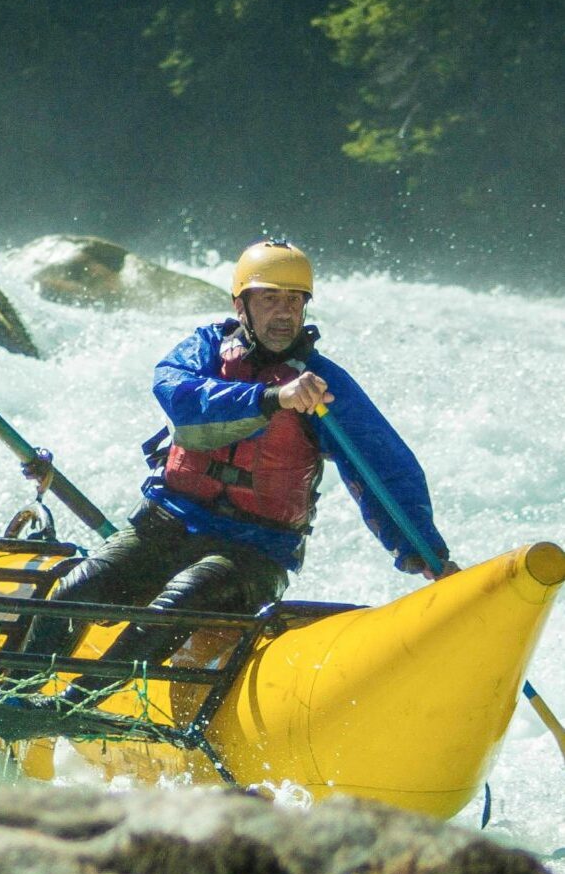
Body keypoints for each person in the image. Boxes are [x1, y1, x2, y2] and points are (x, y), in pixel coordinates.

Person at [27, 238, 458, 691]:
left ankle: (75, 703)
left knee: (177, 603)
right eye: (270, 299)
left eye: (295, 301)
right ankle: (11, 688)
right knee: (76, 590)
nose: (285, 313)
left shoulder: (324, 386)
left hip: (255, 551)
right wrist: (271, 398)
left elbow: (384, 468)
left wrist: (422, 551)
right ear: (241, 306)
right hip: (168, 521)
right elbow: (178, 395)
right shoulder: (205, 350)